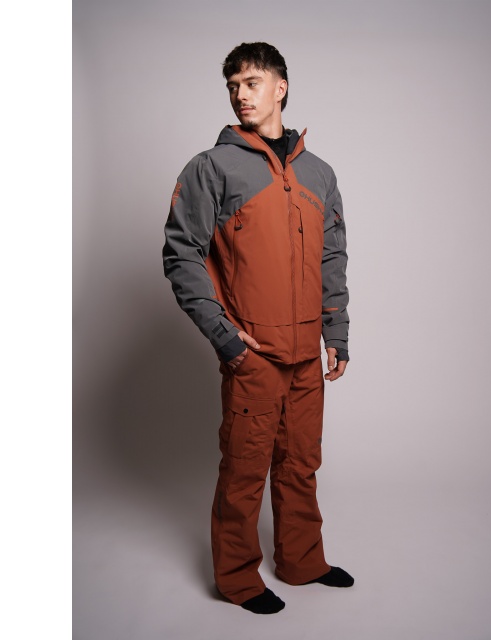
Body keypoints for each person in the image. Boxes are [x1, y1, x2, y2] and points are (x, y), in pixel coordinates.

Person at [162, 42, 353, 615]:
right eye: (232, 86)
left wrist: (336, 333)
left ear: (280, 87)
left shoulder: (319, 173)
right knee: (244, 471)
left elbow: (332, 258)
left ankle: (302, 561)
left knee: (301, 464)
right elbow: (181, 253)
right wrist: (224, 335)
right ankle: (239, 580)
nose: (240, 95)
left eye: (251, 83)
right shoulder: (212, 167)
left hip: (306, 354)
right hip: (254, 353)